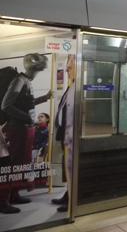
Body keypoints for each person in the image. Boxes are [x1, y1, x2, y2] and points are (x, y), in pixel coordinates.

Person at [0, 53, 51, 214]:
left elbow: (24, 103)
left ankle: (14, 194)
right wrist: (26, 118)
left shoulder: (25, 81)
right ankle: (3, 200)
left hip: (24, 128)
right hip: (18, 129)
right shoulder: (19, 80)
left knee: (21, 164)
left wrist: (44, 98)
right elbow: (6, 105)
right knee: (13, 165)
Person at [51, 55, 75, 212]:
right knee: (67, 169)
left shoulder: (78, 87)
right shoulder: (71, 86)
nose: (66, 69)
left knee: (72, 169)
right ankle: (67, 195)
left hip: (72, 137)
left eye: (70, 67)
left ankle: (72, 200)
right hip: (65, 135)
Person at [27, 112, 50, 191]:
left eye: (42, 117)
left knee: (30, 159)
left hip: (36, 148)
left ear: (47, 119)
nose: (39, 118)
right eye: (38, 117)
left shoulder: (47, 130)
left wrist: (33, 147)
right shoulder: (35, 127)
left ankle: (30, 181)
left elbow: (44, 142)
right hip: (29, 147)